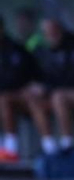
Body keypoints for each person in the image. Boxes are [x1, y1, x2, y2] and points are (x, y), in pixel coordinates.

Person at [25, 16, 74, 156]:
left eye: (52, 32)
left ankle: (68, 145)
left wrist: (47, 88)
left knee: (58, 97)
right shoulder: (45, 51)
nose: (49, 36)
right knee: (34, 98)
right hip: (59, 93)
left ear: (59, 30)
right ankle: (49, 146)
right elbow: (44, 77)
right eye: (46, 33)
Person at [0, 14, 41, 162]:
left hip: (18, 96)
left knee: (3, 100)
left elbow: (21, 77)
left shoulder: (16, 49)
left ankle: (10, 149)